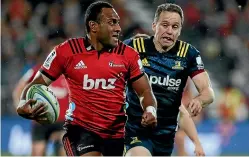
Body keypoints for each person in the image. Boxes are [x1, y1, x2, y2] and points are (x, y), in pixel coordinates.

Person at [16, 1, 157, 156]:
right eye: (112, 23)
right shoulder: (66, 52)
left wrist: (150, 109)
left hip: (116, 132)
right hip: (80, 131)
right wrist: (23, 103)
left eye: (117, 23)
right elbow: (37, 83)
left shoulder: (128, 55)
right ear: (94, 26)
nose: (118, 28)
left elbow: (144, 90)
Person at [123, 3, 214, 156]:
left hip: (165, 139)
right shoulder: (135, 47)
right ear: (154, 25)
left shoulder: (188, 54)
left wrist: (199, 100)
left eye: (175, 26)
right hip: (135, 132)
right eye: (164, 25)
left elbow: (208, 92)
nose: (169, 31)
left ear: (179, 30)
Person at [13, 31, 68, 156]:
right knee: (38, 153)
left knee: (65, 152)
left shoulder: (71, 72)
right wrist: (20, 105)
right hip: (41, 120)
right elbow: (19, 89)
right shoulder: (38, 70)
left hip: (63, 122)